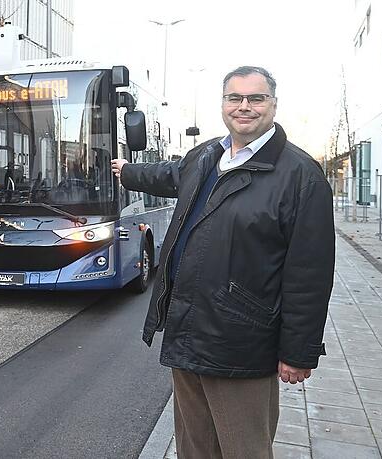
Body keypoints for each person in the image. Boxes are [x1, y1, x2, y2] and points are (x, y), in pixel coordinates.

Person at [111, 66, 335, 458]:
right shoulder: (208, 154)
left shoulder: (301, 176)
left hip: (241, 343)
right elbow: (169, 174)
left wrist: (298, 351)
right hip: (188, 331)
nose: (244, 106)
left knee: (243, 450)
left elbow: (310, 274)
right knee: (194, 448)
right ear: (224, 104)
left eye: (256, 98)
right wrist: (126, 171)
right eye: (235, 98)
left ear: (273, 105)